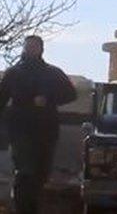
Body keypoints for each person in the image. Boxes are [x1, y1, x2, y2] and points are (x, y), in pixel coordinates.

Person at [0, 35, 77, 214]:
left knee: (41, 174)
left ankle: (31, 207)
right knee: (25, 172)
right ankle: (22, 208)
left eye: (34, 47)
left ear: (41, 49)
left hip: (45, 130)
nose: (30, 50)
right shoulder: (14, 73)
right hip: (21, 129)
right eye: (27, 47)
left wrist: (49, 99)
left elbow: (70, 94)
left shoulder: (52, 73)